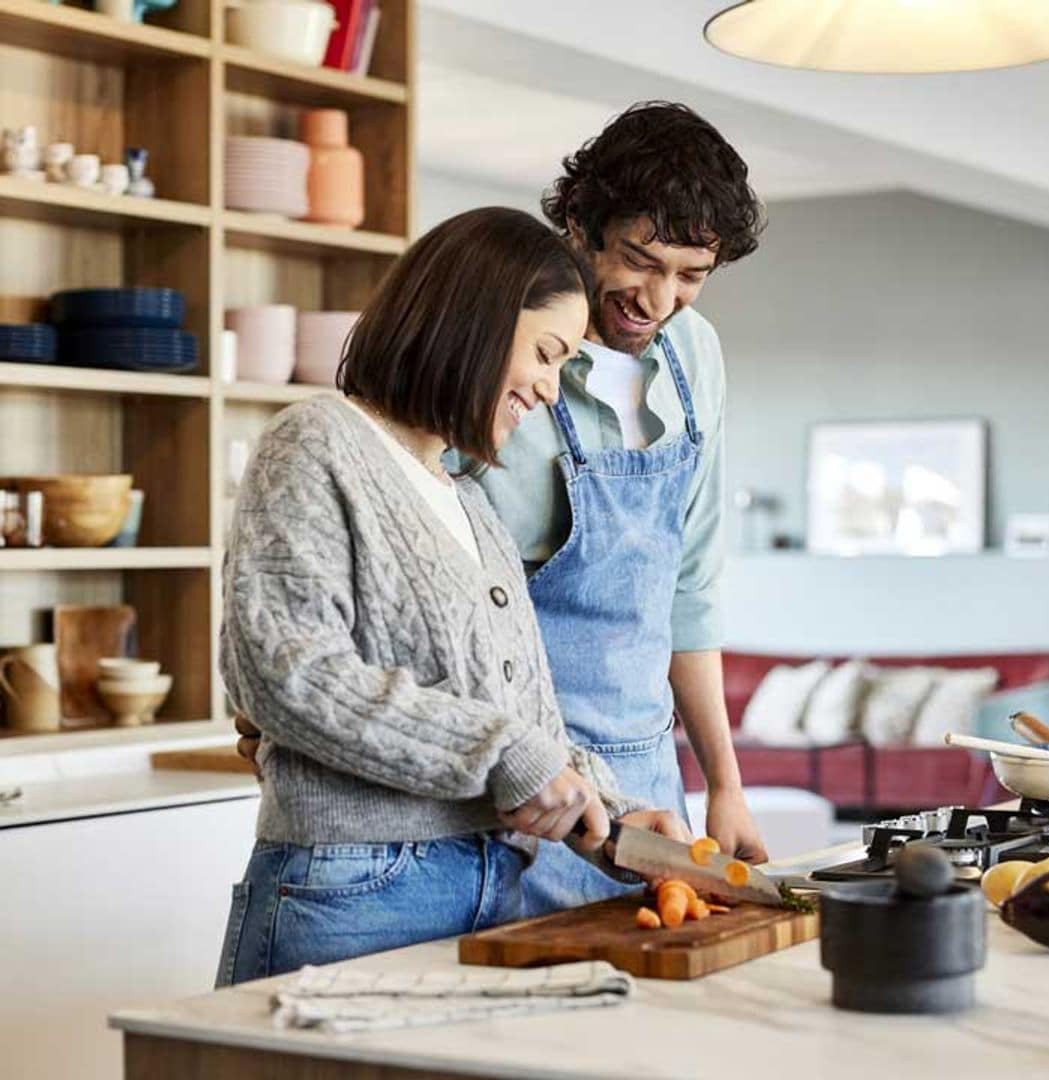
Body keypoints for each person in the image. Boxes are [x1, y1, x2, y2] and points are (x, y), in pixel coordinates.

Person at [215, 207, 686, 987]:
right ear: (474, 320)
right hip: (354, 890)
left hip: (491, 884)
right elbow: (285, 673)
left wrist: (613, 813)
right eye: (544, 353)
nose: (547, 387)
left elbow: (519, 719)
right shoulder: (316, 443)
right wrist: (506, 756)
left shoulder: (469, 503)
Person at [465, 102, 770, 917]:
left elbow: (689, 588)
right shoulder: (496, 349)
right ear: (578, 223)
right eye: (640, 260)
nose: (659, 298)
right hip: (517, 793)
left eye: (691, 275)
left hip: (649, 787)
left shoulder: (693, 352)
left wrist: (725, 786)